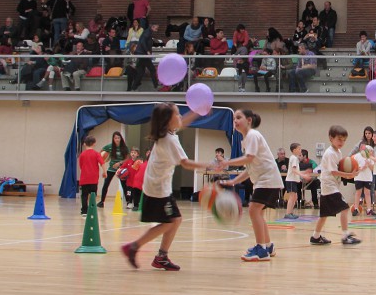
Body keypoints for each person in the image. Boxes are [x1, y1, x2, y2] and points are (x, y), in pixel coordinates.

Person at [122, 104, 209, 271]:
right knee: (171, 221)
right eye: (177, 114)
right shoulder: (170, 140)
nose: (180, 117)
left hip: (158, 185)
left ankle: (160, 256)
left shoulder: (167, 133)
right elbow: (185, 163)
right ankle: (135, 247)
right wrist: (209, 166)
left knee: (174, 220)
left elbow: (182, 124)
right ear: (168, 120)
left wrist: (196, 112)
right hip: (158, 188)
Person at [219, 109, 285, 262]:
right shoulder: (246, 139)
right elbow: (249, 168)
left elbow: (248, 158)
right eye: (234, 118)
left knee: (253, 210)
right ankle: (268, 246)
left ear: (249, 120)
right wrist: (233, 181)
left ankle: (261, 250)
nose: (235, 121)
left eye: (239, 117)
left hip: (267, 180)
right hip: (265, 181)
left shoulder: (252, 135)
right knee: (258, 213)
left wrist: (227, 162)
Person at [309, 125, 361, 246]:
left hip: (329, 187)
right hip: (329, 186)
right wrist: (349, 175)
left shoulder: (338, 152)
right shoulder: (330, 153)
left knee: (324, 215)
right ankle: (345, 236)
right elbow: (334, 172)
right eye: (339, 139)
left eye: (344, 140)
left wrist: (349, 175)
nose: (341, 142)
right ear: (331, 138)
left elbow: (339, 170)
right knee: (345, 208)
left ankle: (315, 237)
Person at [98, 131, 129, 208]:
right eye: (115, 138)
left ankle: (128, 202)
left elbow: (127, 159)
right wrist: (104, 158)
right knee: (106, 184)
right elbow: (101, 152)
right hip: (111, 168)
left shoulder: (124, 148)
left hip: (121, 169)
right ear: (113, 139)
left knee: (124, 185)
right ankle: (102, 202)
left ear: (121, 138)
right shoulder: (109, 146)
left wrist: (119, 163)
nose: (117, 139)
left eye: (118, 138)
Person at [77, 136, 106, 216]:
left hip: (84, 179)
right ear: (94, 144)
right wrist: (104, 172)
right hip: (93, 179)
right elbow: (102, 163)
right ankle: (92, 210)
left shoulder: (82, 154)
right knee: (93, 195)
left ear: (85, 144)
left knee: (84, 195)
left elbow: (81, 166)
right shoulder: (96, 154)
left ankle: (84, 211)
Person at [282, 143, 307, 220]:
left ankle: (290, 212)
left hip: (293, 180)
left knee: (295, 197)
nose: (300, 150)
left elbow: (295, 170)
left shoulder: (294, 158)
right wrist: (302, 175)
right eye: (299, 149)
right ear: (294, 150)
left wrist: (303, 172)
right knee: (292, 197)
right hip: (291, 180)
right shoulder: (293, 158)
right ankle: (288, 213)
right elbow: (294, 170)